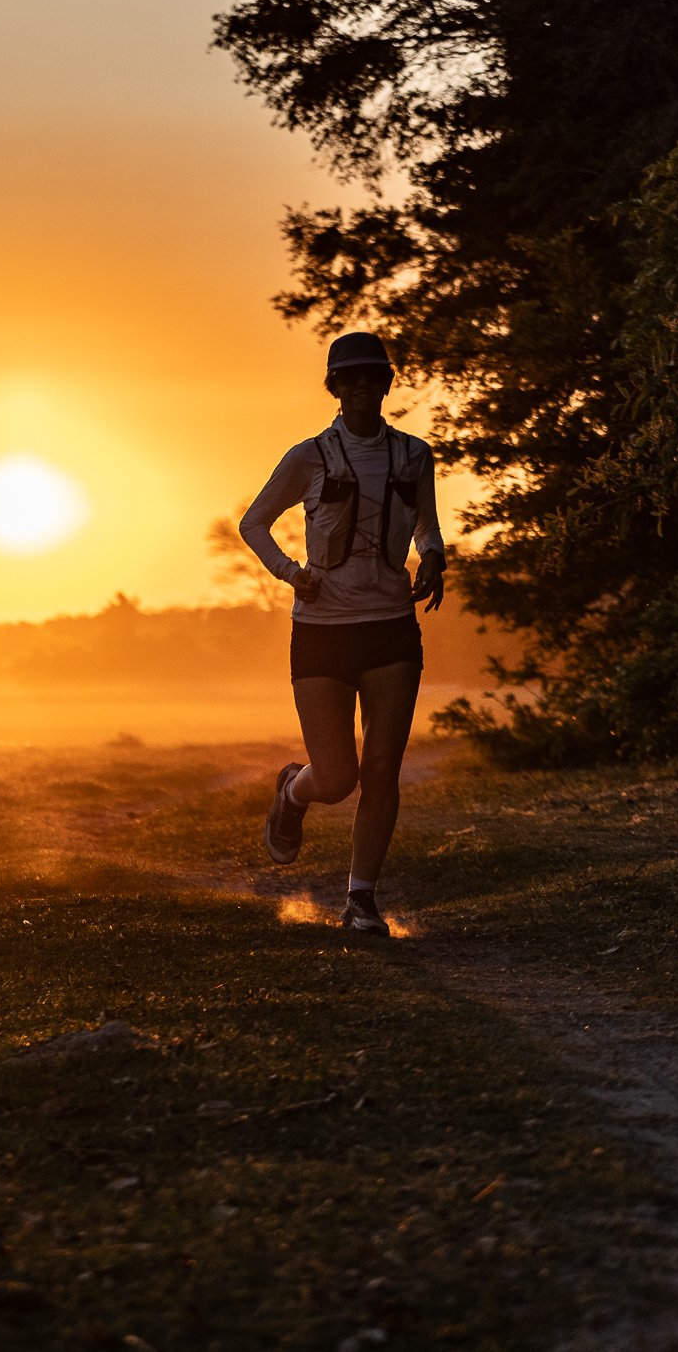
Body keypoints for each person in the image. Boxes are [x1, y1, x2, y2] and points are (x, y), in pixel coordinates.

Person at [240, 331, 446, 936]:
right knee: (338, 778)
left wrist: (433, 555)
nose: (360, 387)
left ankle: (361, 898)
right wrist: (290, 573)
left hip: (391, 627)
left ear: (386, 383)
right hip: (322, 630)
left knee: (383, 768)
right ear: (334, 388)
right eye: (348, 379)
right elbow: (254, 523)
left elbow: (427, 527)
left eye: (370, 377)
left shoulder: (415, 455)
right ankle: (293, 794)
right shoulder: (308, 455)